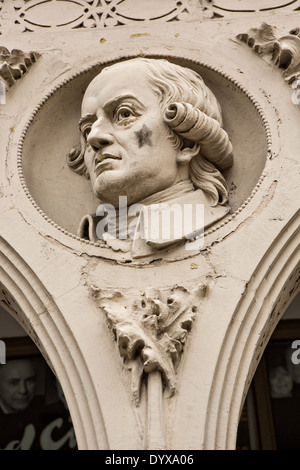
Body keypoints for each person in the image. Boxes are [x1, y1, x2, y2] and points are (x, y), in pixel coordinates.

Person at [67, 58, 233, 256]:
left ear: (186, 142)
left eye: (124, 114)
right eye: (87, 130)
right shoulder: (90, 236)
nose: (94, 137)